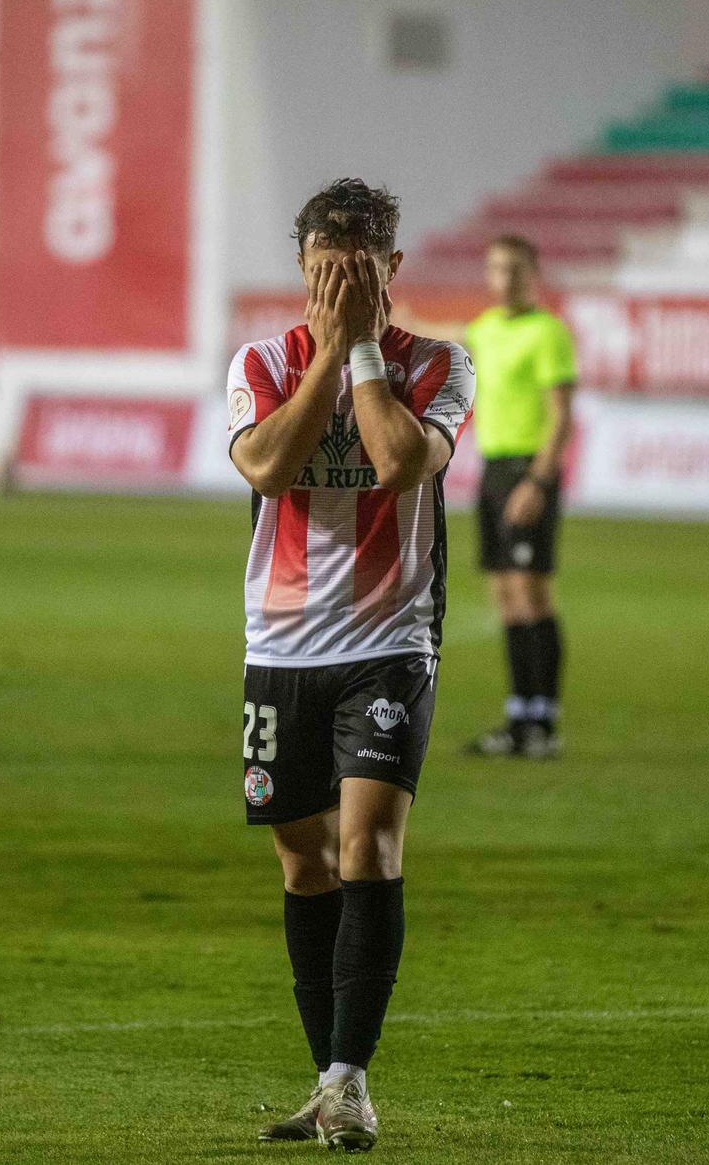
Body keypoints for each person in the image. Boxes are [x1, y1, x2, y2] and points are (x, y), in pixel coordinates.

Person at [228, 178, 475, 1150]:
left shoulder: (440, 364)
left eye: (359, 268)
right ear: (299, 269)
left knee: (367, 845)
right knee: (302, 862)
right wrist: (327, 352)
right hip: (280, 645)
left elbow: (397, 462)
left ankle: (347, 1078)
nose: (339, 281)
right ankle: (323, 1075)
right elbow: (264, 468)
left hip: (388, 642)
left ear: (391, 270)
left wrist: (358, 346)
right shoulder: (260, 360)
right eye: (325, 267)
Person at [444, 235, 575, 759]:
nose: (506, 279)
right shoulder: (486, 327)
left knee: (531, 594)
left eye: (516, 269)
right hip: (494, 470)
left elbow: (561, 417)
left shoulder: (549, 333)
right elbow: (450, 337)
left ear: (534, 272)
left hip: (527, 469)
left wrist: (538, 483)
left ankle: (543, 720)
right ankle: (520, 718)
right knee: (504, 596)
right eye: (497, 269)